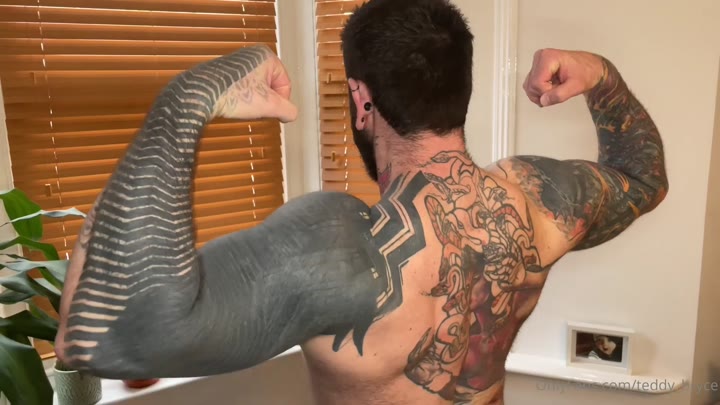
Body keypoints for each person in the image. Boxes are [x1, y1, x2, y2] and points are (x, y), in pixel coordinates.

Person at [54, 0, 668, 404]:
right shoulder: (530, 202)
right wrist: (601, 74)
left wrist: (186, 100)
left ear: (360, 99)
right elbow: (642, 178)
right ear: (461, 87)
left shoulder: (340, 248)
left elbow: (100, 338)